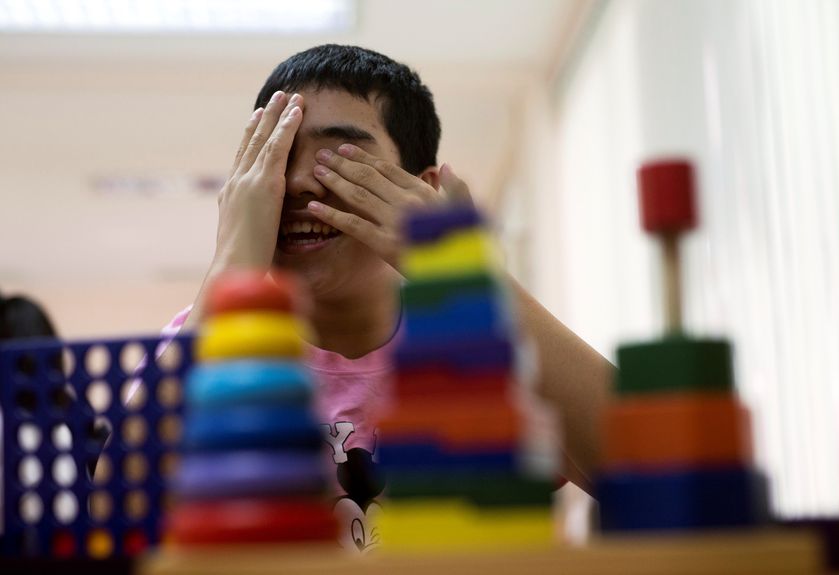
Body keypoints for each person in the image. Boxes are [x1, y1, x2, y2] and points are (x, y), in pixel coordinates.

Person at [167, 44, 613, 551]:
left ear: (420, 188)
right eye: (278, 155)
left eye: (336, 152)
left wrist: (469, 280)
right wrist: (232, 263)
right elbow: (118, 512)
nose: (292, 183)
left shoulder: (479, 344)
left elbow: (650, 471)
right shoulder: (201, 336)